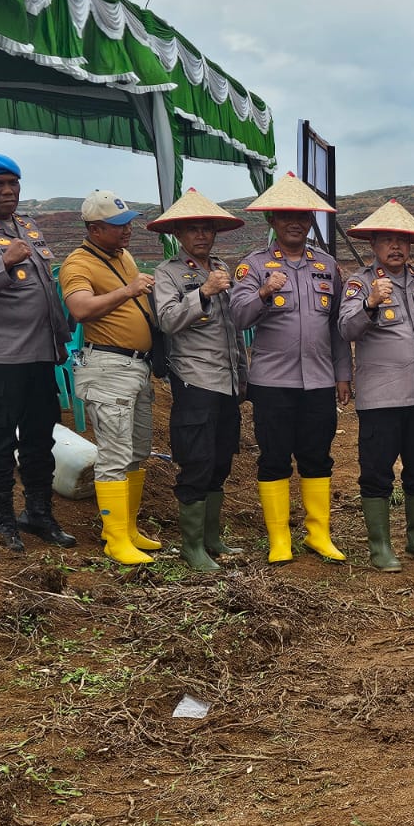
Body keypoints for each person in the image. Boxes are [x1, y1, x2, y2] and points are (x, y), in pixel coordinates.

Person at [0, 153, 75, 552]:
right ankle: (2, 519)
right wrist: (4, 262)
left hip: (39, 356)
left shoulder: (27, 226)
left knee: (40, 437)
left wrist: (59, 339)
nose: (7, 191)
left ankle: (38, 512)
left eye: (13, 184)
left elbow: (43, 289)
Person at [229, 172, 352, 564]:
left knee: (317, 456)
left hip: (317, 380)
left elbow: (337, 326)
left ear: (311, 219)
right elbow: (238, 317)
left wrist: (343, 373)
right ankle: (279, 538)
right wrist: (264, 292)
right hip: (272, 382)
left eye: (302, 215)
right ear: (272, 221)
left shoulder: (328, 266)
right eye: (285, 216)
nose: (295, 222)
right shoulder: (254, 266)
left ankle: (319, 534)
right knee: (275, 457)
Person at [338, 200, 414, 571]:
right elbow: (347, 329)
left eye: (401, 240)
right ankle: (380, 547)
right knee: (377, 471)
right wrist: (370, 303)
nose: (396, 247)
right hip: (382, 396)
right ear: (373, 244)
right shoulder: (360, 282)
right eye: (387, 240)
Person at [59, 190, 163, 565]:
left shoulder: (123, 256)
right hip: (108, 369)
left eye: (128, 222)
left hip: (137, 366)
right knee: (115, 454)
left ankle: (128, 529)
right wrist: (128, 290)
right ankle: (114, 538)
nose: (127, 230)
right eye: (118, 226)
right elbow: (80, 309)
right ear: (94, 228)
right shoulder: (78, 264)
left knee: (136, 451)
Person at [150, 189, 249, 572]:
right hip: (194, 379)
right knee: (197, 459)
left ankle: (211, 538)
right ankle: (191, 547)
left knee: (221, 458)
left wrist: (243, 375)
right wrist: (203, 293)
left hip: (227, 380)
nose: (201, 235)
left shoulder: (221, 266)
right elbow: (168, 320)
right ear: (178, 233)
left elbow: (234, 328)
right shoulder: (168, 273)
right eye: (192, 229)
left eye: (207, 228)